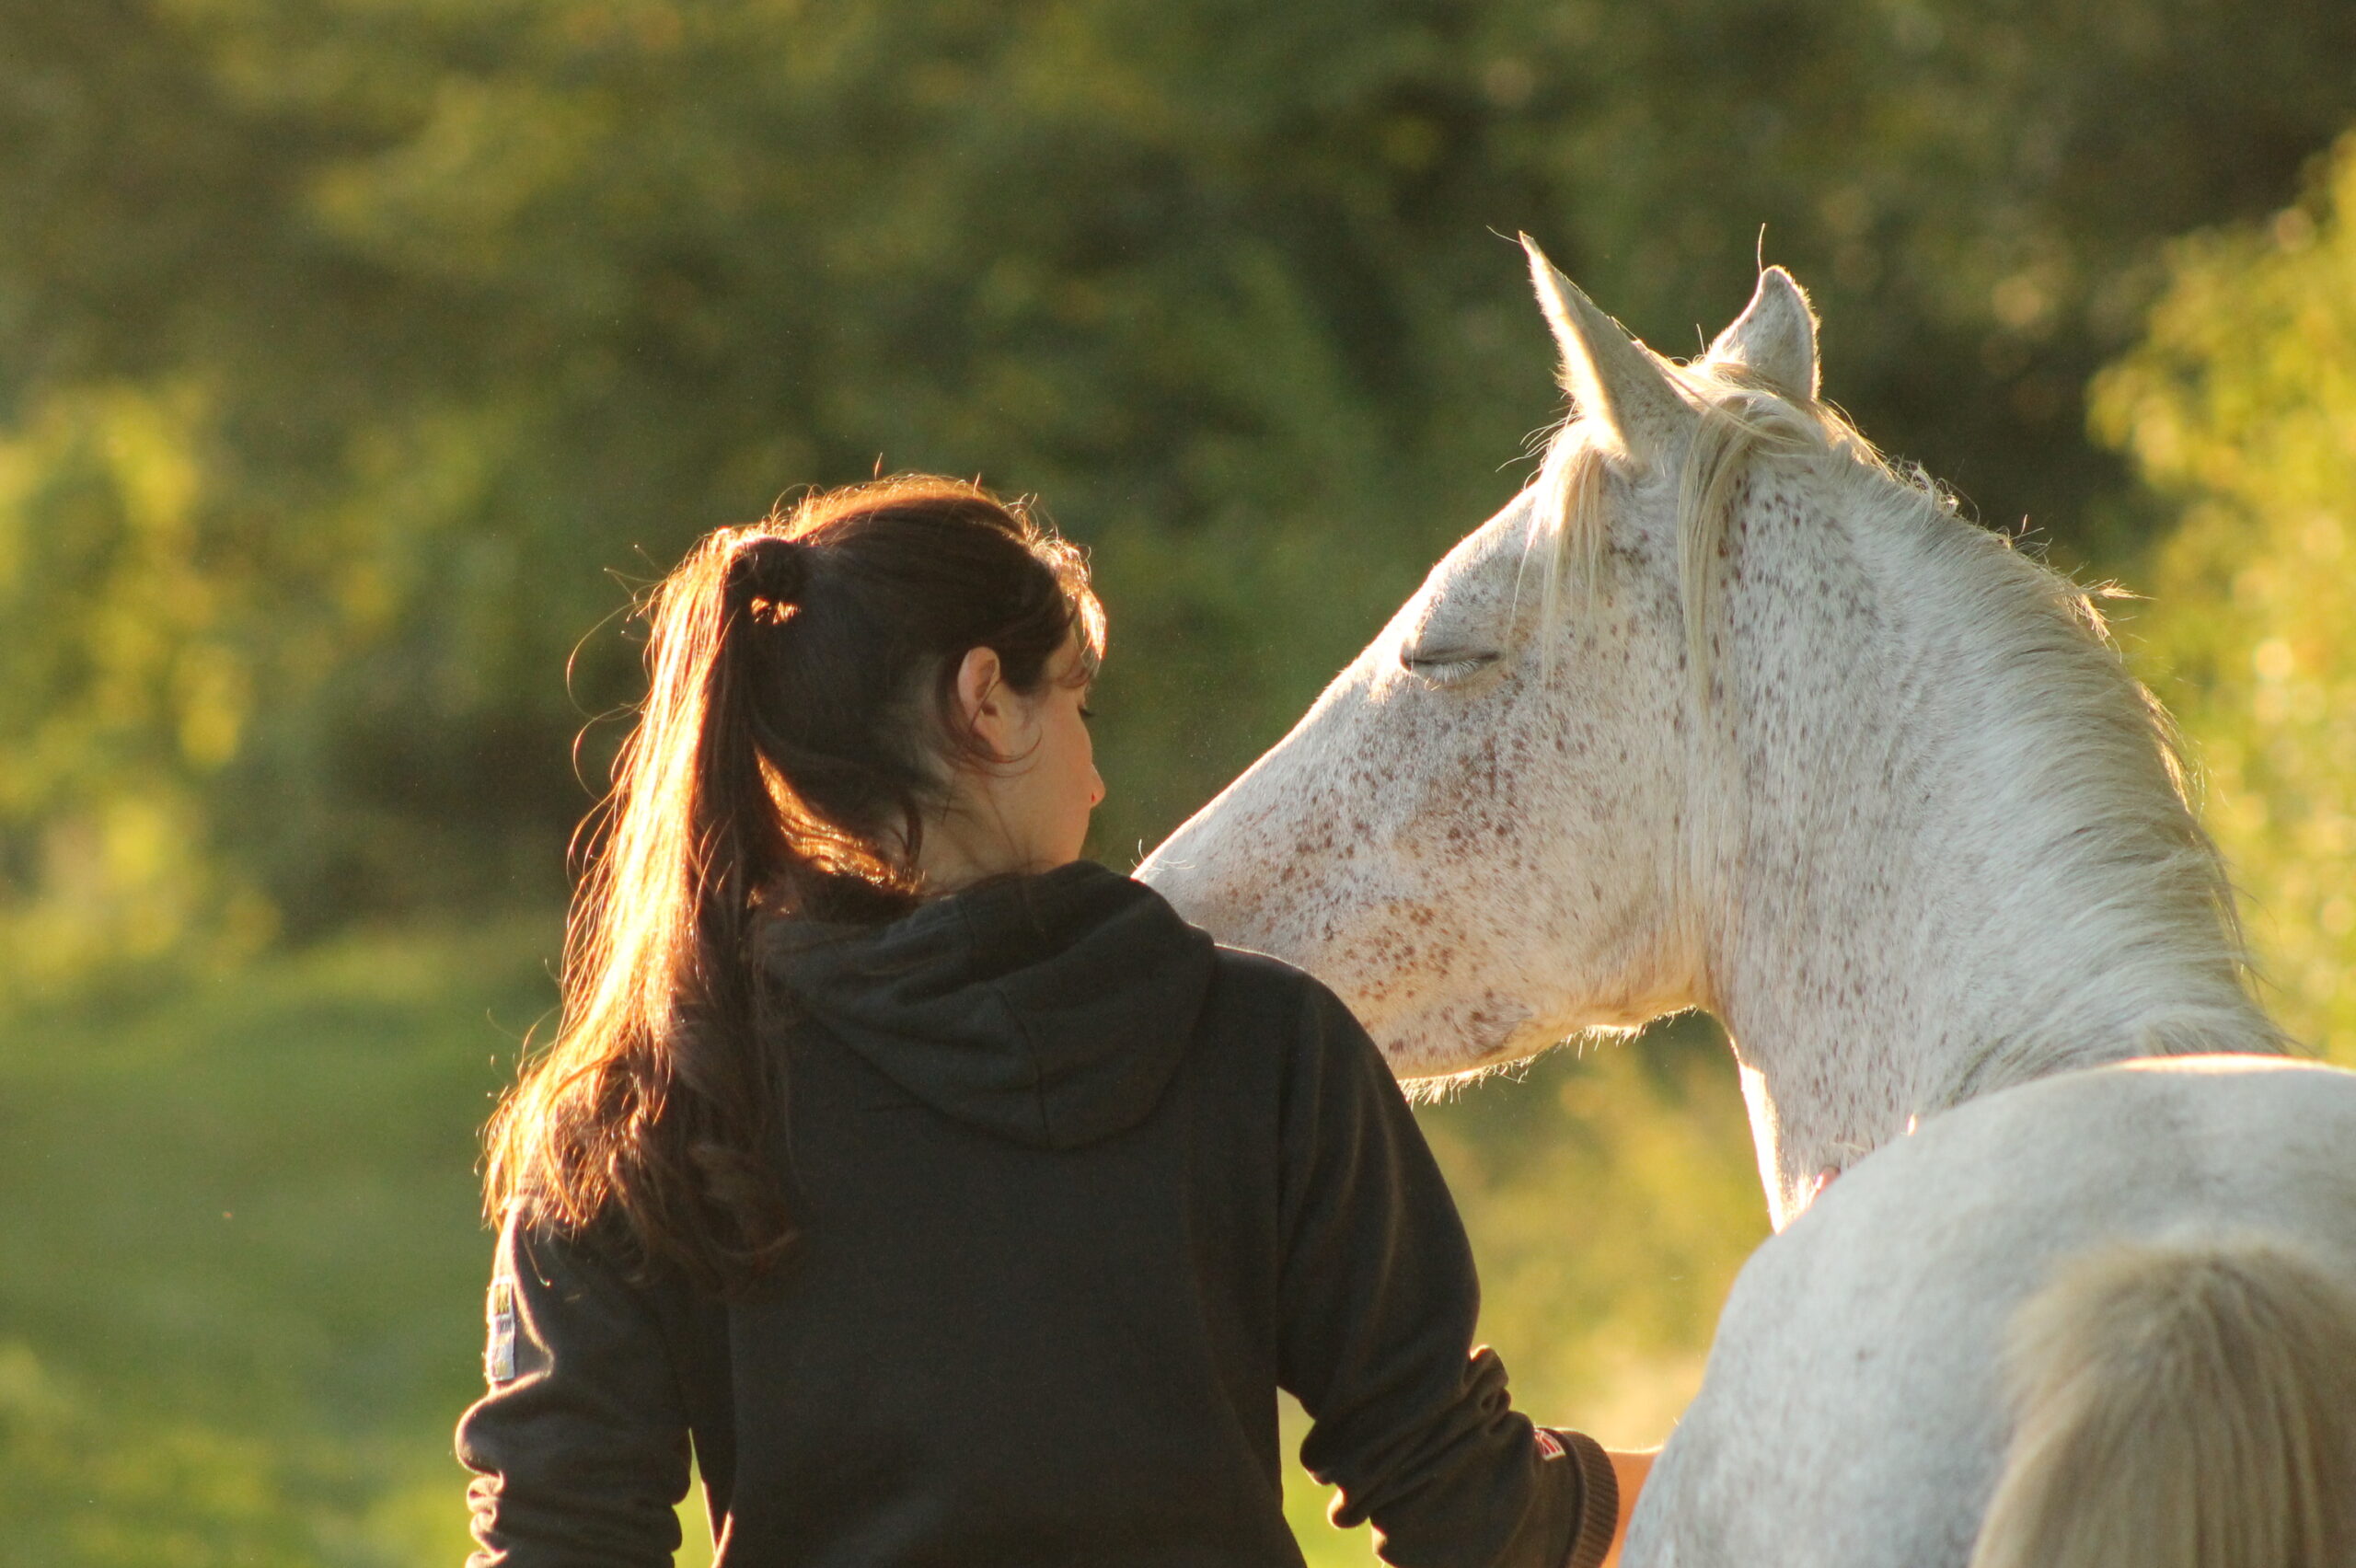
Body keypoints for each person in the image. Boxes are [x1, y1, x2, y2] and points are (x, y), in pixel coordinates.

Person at [457, 476, 1648, 1567]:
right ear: (988, 702)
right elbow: (1477, 1513)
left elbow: (558, 1542)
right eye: (1076, 701)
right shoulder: (1268, 1047)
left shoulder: (646, 1102)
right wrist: (1732, 1462)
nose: (1095, 777)